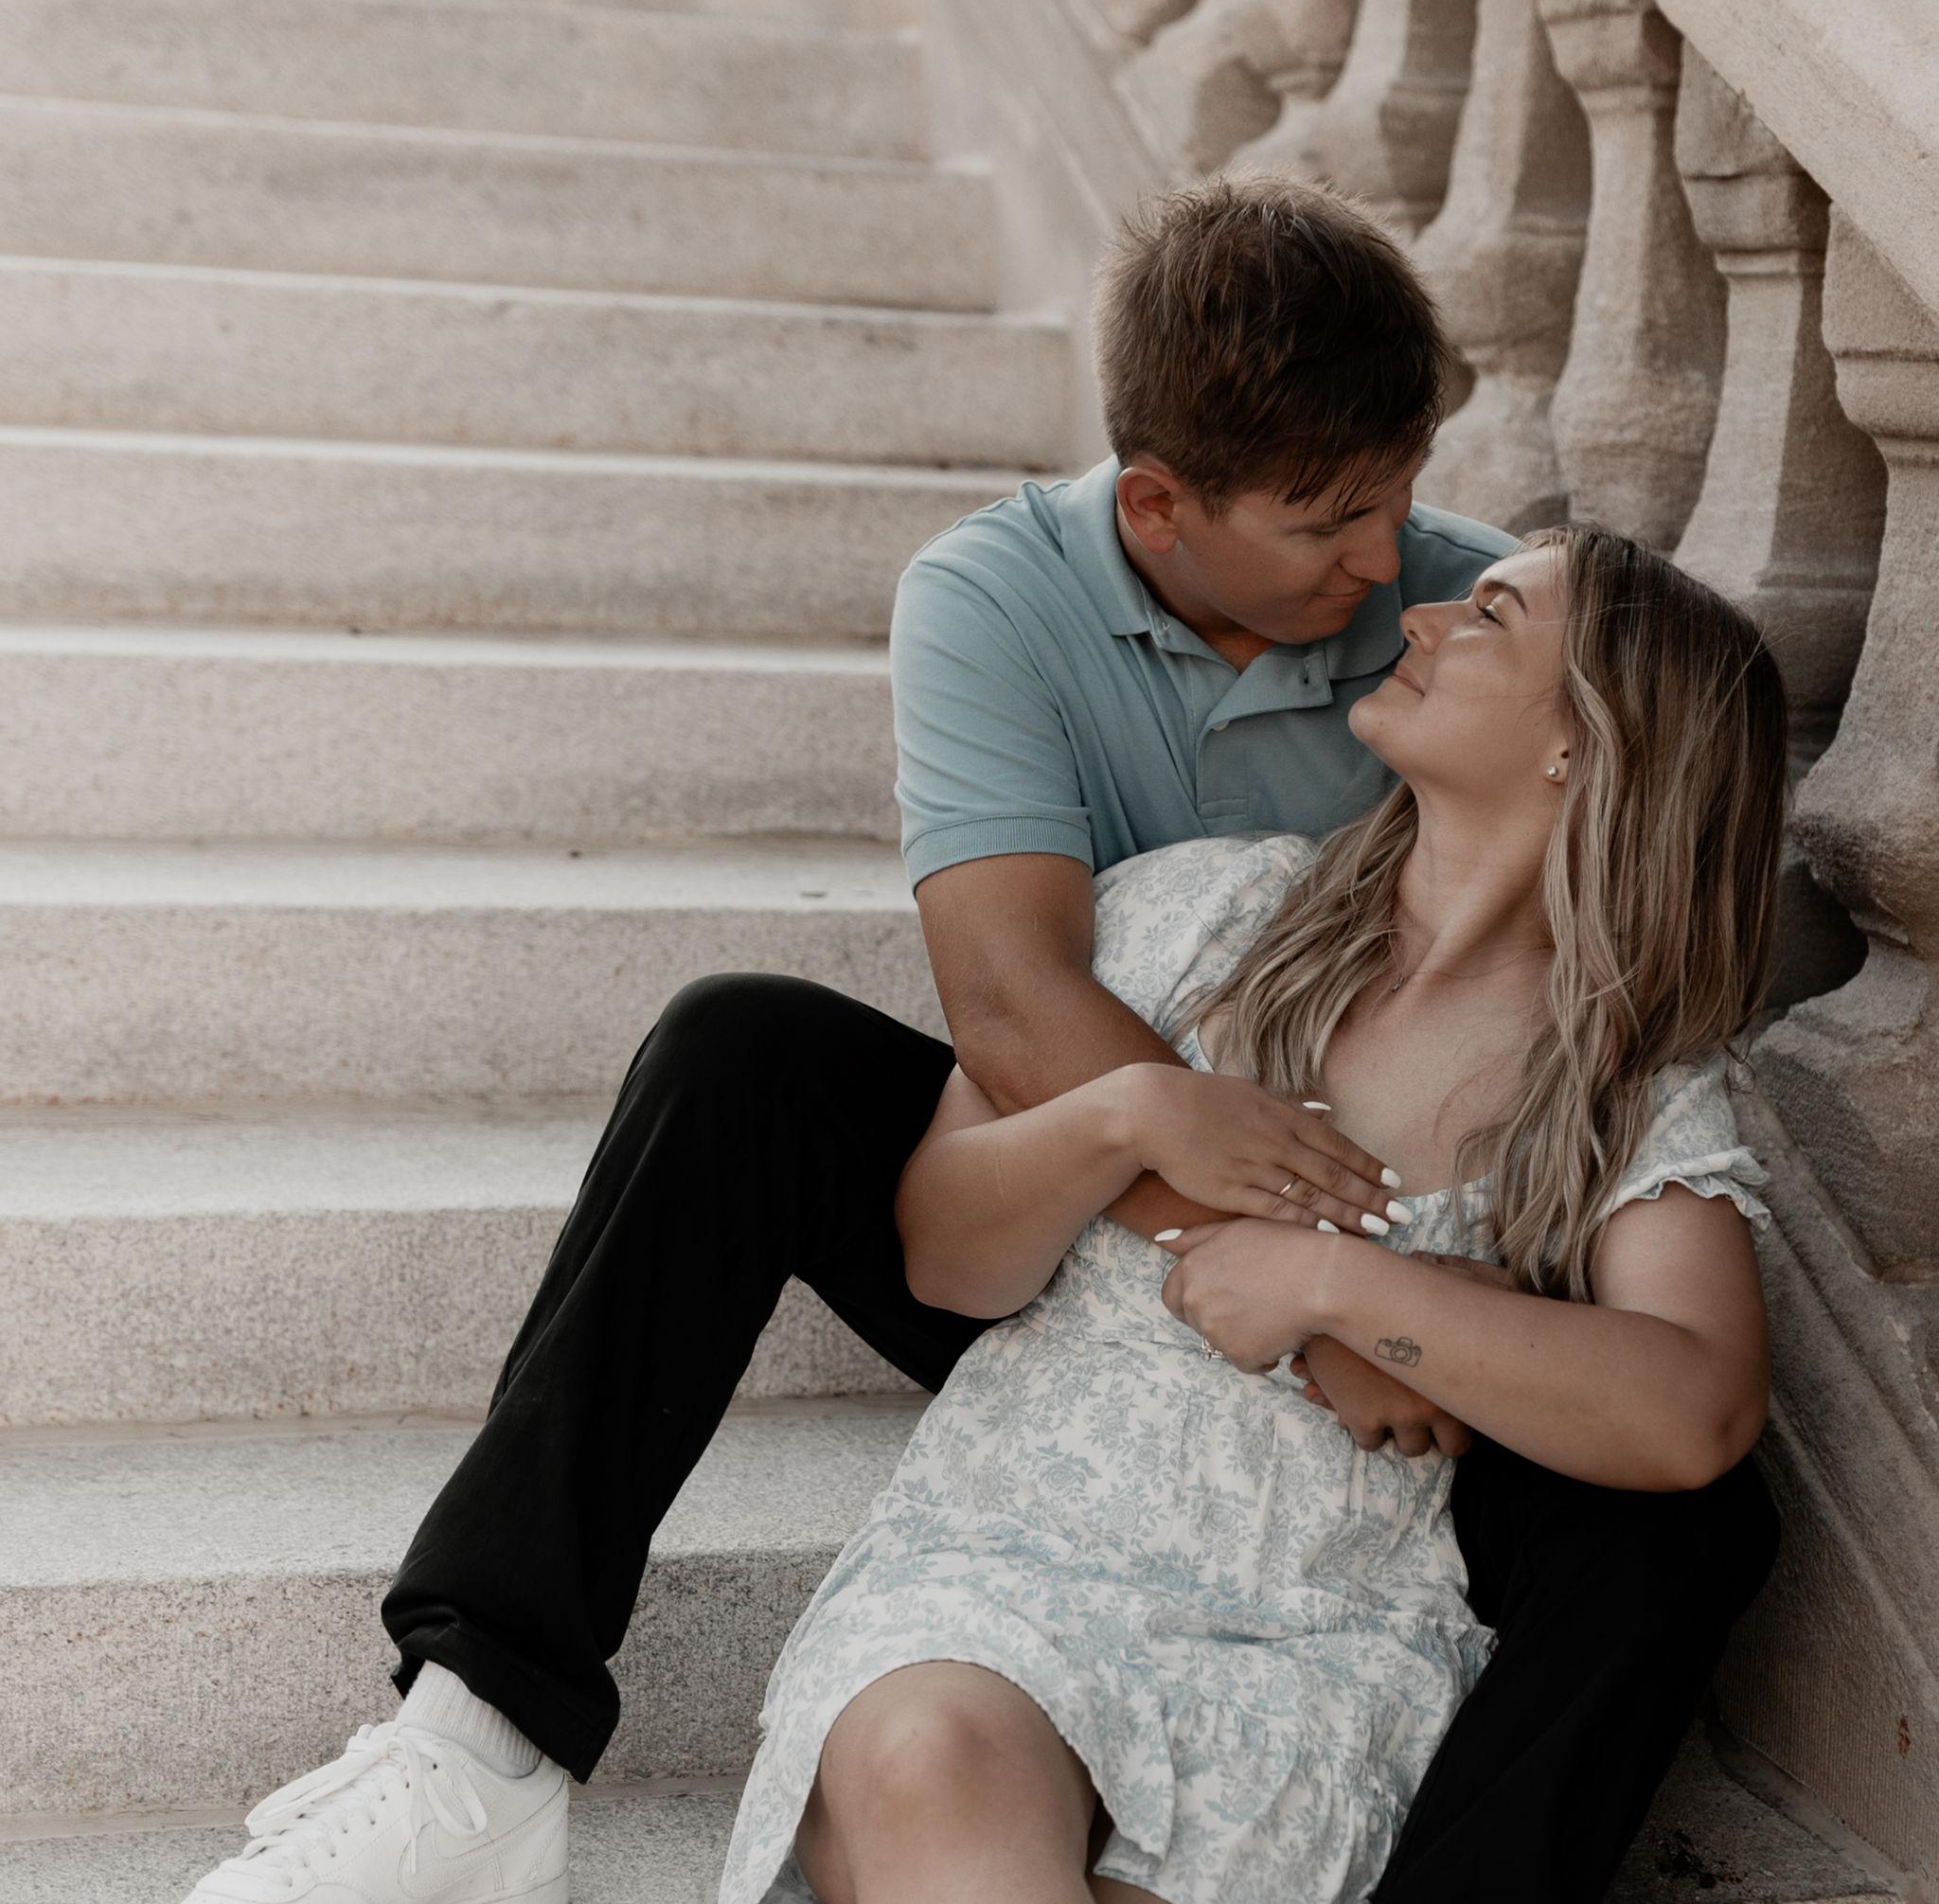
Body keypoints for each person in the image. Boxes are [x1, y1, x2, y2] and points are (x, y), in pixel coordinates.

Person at [177, 174, 1780, 1904]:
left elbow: (1680, 1366)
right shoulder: (1020, 628)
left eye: (1407, 505)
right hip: (1095, 1271)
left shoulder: (1469, 631)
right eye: (1333, 523)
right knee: (739, 1054)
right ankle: (479, 1727)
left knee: (1696, 1519)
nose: (1402, 575)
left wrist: (1359, 1304)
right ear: (1160, 504)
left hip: (1380, 1447)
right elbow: (1014, 1011)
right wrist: (1252, 1244)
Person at [715, 521, 1787, 1904]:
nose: (1419, 619)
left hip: (1320, 1635)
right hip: (1012, 1555)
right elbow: (948, 1258)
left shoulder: (1623, 1086)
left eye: (1491, 616)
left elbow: (1699, 1410)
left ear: (1582, 745)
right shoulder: (1207, 912)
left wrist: (1339, 1286)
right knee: (930, 1758)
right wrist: (1125, 1113)